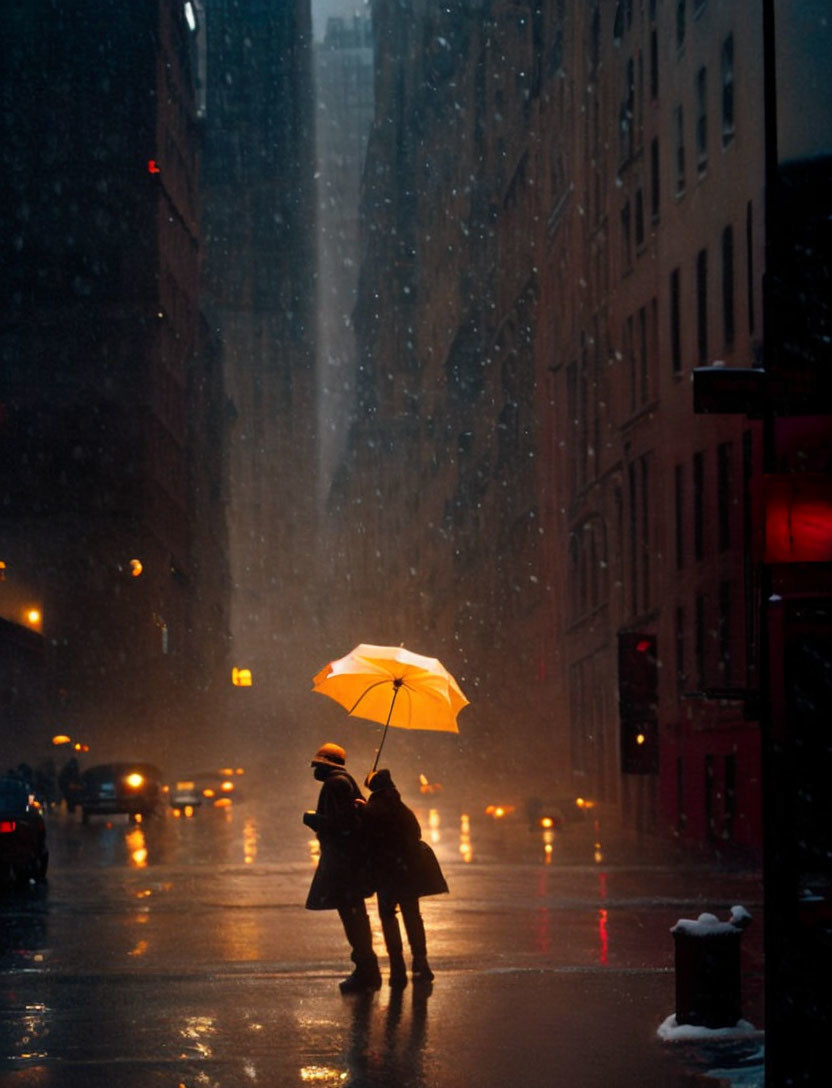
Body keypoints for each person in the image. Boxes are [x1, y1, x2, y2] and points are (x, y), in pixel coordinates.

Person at [302, 743, 381, 993]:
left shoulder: (335, 784)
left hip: (344, 865)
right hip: (350, 864)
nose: (314, 770)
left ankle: (366, 971)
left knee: (353, 918)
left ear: (327, 765)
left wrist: (314, 820)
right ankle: (367, 970)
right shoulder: (345, 782)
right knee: (356, 916)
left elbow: (342, 825)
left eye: (317, 765)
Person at [363, 767, 448, 987]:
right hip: (408, 873)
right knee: (413, 916)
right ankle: (421, 962)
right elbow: (416, 835)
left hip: (386, 873)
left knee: (389, 916)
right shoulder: (403, 810)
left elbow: (367, 841)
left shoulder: (372, 810)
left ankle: (397, 967)